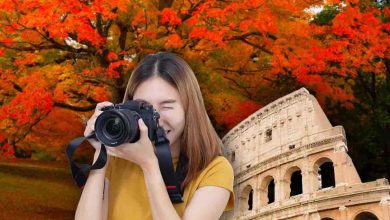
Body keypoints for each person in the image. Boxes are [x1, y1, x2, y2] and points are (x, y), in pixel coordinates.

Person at [75, 52, 234, 220]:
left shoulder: (215, 170)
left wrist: (149, 165)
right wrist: (100, 154)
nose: (156, 120)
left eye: (167, 106)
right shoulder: (119, 157)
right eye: (144, 107)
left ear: (189, 109)